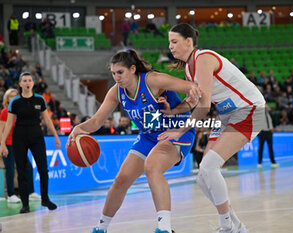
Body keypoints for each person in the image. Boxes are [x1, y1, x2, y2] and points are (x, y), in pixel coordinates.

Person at [66, 49, 200, 233]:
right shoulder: (116, 92)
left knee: (152, 166)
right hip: (149, 134)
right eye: (113, 73)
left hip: (176, 130)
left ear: (132, 69)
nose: (116, 77)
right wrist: (79, 128)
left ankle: (165, 228)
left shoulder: (152, 80)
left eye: (120, 72)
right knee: (121, 180)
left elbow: (194, 88)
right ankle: (101, 228)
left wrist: (183, 108)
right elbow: (97, 121)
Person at [158, 23, 266, 233]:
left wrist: (179, 130)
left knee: (208, 167)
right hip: (227, 115)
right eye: (169, 42)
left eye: (174, 41)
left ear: (188, 41)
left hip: (250, 110)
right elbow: (192, 102)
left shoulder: (204, 58)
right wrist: (171, 112)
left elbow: (204, 106)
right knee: (203, 176)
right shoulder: (189, 68)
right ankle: (237, 226)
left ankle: (226, 226)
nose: (170, 47)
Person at [0, 72, 61, 214]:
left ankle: (45, 199)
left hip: (36, 136)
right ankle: (25, 204)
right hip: (19, 136)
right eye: (24, 80)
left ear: (33, 84)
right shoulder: (15, 101)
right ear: (20, 84)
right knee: (21, 171)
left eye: (30, 80)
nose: (27, 83)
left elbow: (46, 119)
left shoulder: (40, 100)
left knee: (43, 169)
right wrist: (2, 143)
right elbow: (8, 124)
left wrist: (56, 136)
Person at [257, 104, 279, 168]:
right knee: (261, 148)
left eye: (266, 108)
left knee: (270, 147)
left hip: (269, 132)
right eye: (264, 108)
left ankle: (273, 162)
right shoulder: (259, 116)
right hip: (262, 133)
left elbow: (272, 122)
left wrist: (272, 129)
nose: (266, 109)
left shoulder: (270, 114)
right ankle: (259, 162)